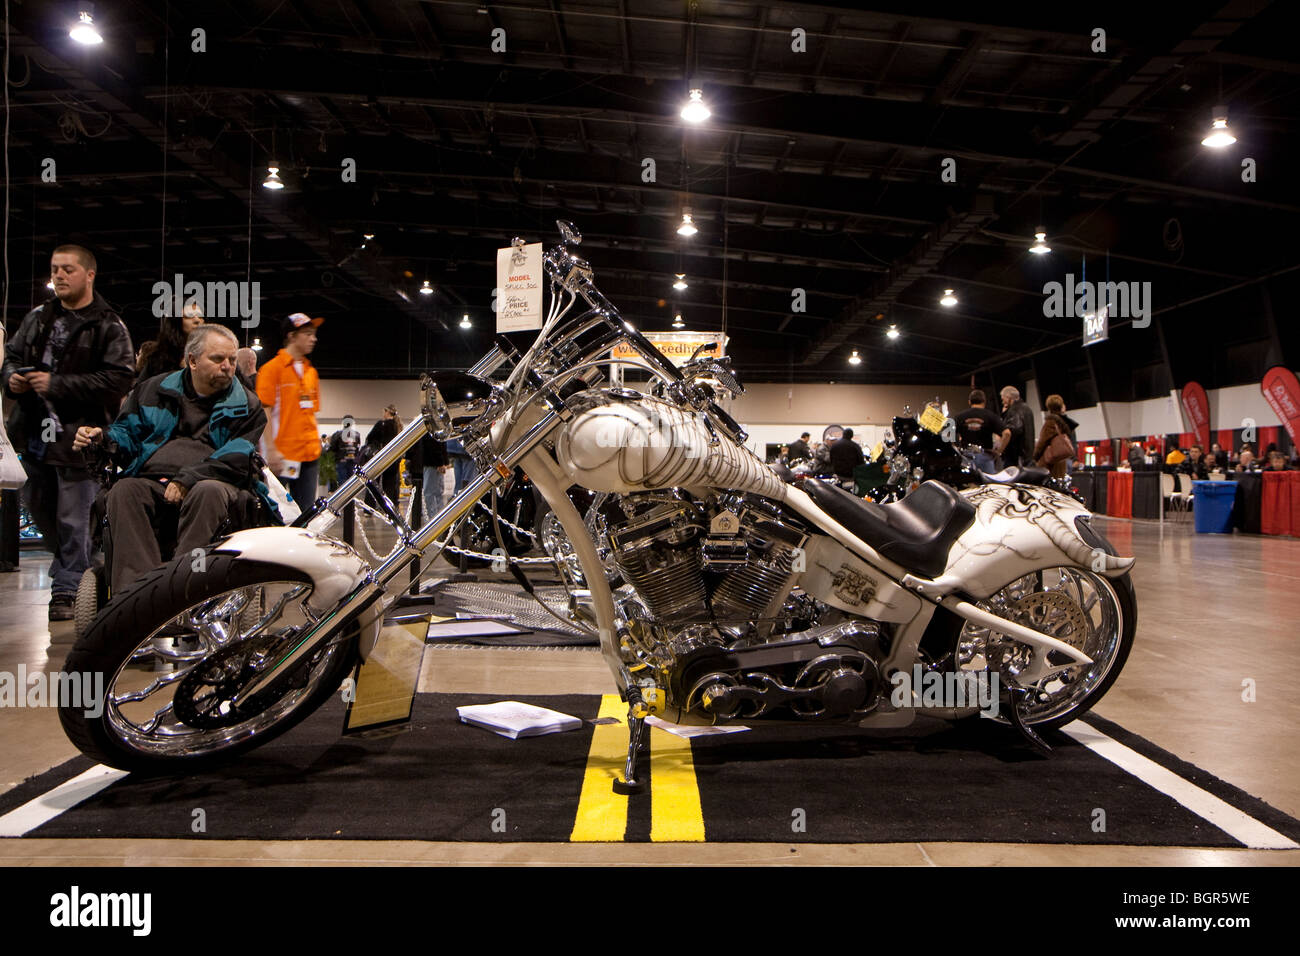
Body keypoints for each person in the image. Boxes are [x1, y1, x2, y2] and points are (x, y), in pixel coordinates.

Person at [72, 326, 273, 595]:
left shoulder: (248, 405)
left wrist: (189, 478)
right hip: (153, 477)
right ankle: (138, 596)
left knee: (208, 491)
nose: (227, 366)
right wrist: (101, 438)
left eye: (232, 360)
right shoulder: (151, 390)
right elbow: (127, 433)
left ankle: (183, 591)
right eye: (217, 359)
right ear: (192, 360)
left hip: (216, 480)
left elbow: (236, 456)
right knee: (124, 491)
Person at [2, 244, 134, 620]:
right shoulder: (38, 318)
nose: (59, 276)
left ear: (89, 275)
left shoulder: (108, 325)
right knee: (42, 512)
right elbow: (11, 357)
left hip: (81, 440)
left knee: (74, 519)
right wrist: (12, 379)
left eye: (68, 269)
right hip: (33, 438)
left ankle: (67, 589)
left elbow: (119, 379)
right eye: (55, 269)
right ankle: (80, 567)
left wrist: (58, 384)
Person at [256, 313, 323, 513]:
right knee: (273, 510)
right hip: (281, 455)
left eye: (314, 334)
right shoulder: (271, 370)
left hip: (309, 455)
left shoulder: (311, 372)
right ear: (292, 336)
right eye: (308, 334)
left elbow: (311, 412)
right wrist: (270, 450)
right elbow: (264, 411)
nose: (314, 338)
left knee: (306, 513)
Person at [136, 301, 204, 384]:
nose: (197, 320)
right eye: (189, 316)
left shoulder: (211, 351)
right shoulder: (158, 357)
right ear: (176, 321)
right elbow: (140, 390)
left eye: (200, 316)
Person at [954, 389, 1010, 474]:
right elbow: (1007, 433)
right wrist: (999, 452)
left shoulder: (959, 416)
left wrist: (955, 448)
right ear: (984, 402)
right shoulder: (991, 416)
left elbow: (947, 434)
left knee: (966, 485)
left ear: (969, 402)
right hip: (985, 456)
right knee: (989, 485)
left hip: (966, 456)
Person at [405, 433, 449, 524]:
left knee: (431, 493)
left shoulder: (430, 431)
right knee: (436, 493)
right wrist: (443, 461)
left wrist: (441, 462)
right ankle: (438, 518)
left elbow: (435, 445)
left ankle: (433, 519)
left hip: (431, 464)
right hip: (431, 463)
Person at [366, 403, 403, 505]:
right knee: (390, 484)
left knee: (374, 482)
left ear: (387, 412)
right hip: (393, 458)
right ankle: (389, 506)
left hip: (380, 456)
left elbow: (370, 438)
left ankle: (370, 506)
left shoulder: (381, 424)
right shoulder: (398, 426)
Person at [1032, 402, 1074, 478]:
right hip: (1061, 460)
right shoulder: (1065, 424)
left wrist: (1035, 457)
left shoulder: (1050, 422)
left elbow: (1042, 442)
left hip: (1051, 461)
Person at [999, 386, 1035, 468]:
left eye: (1003, 398)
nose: (1002, 402)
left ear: (1008, 397)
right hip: (1027, 454)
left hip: (1016, 456)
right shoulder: (1027, 408)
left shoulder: (1014, 410)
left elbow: (1014, 429)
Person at [328, 414, 363, 486]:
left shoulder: (337, 434)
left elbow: (332, 448)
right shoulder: (357, 435)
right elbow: (357, 448)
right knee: (352, 482)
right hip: (353, 461)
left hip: (341, 461)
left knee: (342, 483)